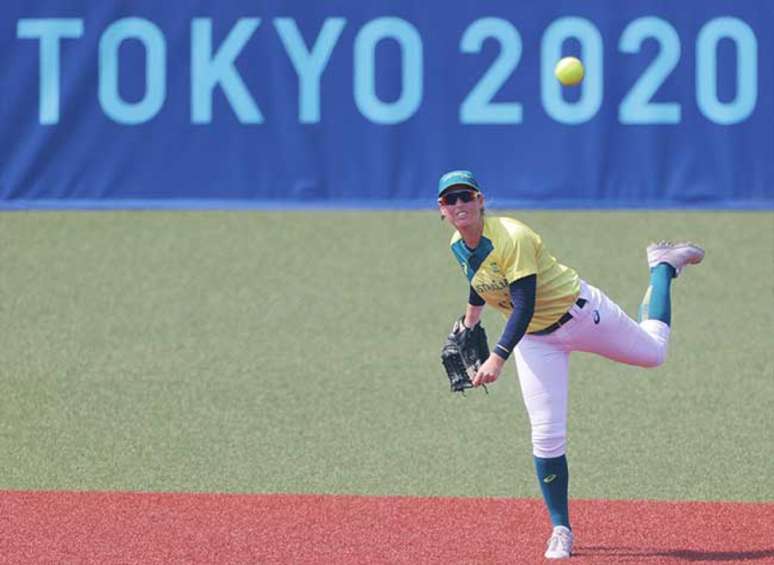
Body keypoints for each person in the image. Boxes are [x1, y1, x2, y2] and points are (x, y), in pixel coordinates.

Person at [436, 170, 704, 560]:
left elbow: (524, 303)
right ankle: (561, 528)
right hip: (536, 343)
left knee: (654, 353)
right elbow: (479, 280)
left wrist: (497, 356)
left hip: (581, 314)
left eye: (465, 196)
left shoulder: (513, 236)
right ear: (441, 210)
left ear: (481, 200)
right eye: (449, 200)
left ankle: (662, 266)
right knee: (545, 435)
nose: (458, 204)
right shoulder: (459, 244)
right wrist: (470, 319)